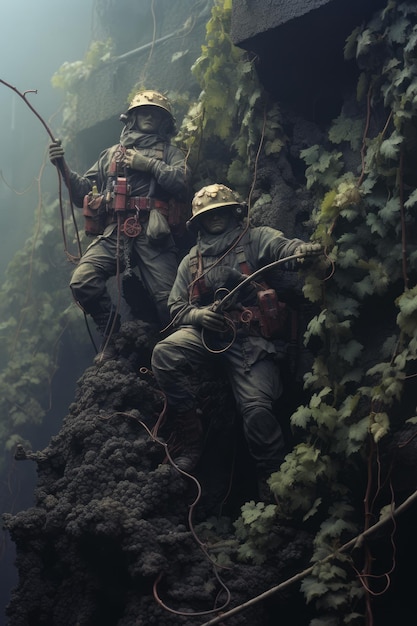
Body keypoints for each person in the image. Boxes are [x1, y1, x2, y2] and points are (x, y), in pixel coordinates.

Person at [151, 183, 322, 495]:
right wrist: (197, 317)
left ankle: (273, 480)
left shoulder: (254, 239)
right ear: (198, 221)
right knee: (164, 354)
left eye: (221, 211)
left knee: (256, 411)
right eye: (208, 214)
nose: (215, 218)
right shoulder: (191, 260)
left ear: (234, 212)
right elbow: (176, 308)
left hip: (251, 343)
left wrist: (300, 251)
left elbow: (282, 248)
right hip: (209, 336)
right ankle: (191, 435)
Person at [49, 89, 191, 360]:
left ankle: (177, 355)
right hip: (116, 231)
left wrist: (147, 164)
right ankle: (112, 335)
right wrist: (62, 166)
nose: (149, 116)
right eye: (143, 111)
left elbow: (182, 185)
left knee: (169, 303)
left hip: (154, 233)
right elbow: (83, 193)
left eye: (156, 113)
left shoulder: (171, 153)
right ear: (132, 118)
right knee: (82, 281)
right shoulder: (111, 155)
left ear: (164, 122)